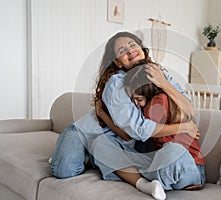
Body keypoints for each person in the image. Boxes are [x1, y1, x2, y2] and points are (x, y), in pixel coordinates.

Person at [51, 31, 199, 200]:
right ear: (117, 62)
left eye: (133, 45)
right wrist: (185, 127)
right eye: (122, 51)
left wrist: (163, 83)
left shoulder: (159, 74)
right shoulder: (117, 83)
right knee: (64, 170)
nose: (130, 51)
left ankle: (95, 158)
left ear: (142, 49)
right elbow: (137, 131)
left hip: (121, 142)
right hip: (90, 132)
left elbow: (189, 109)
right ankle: (83, 152)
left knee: (110, 152)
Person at [123, 63, 206, 189]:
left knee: (172, 151)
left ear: (148, 92)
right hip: (170, 166)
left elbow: (145, 131)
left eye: (138, 99)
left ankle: (146, 179)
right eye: (132, 100)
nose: (135, 104)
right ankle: (153, 181)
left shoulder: (158, 102)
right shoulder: (153, 103)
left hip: (190, 167)